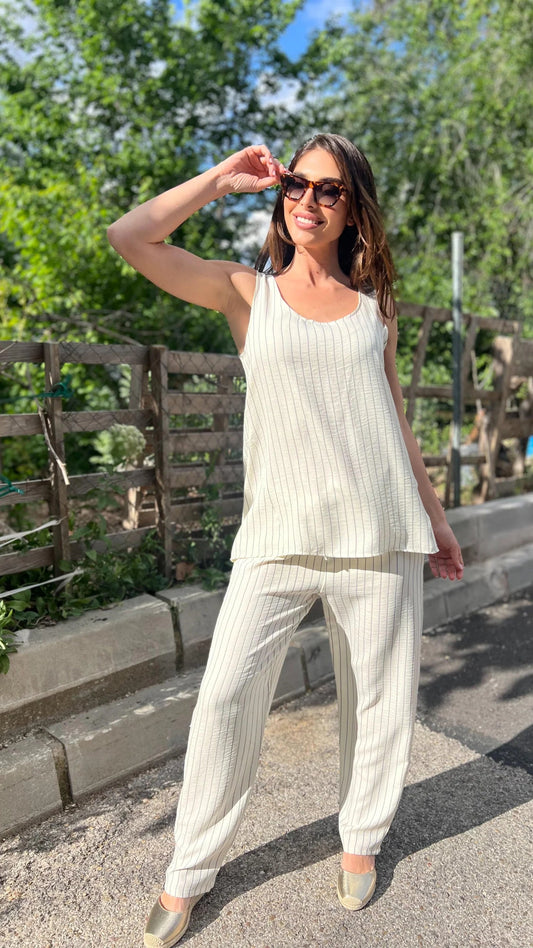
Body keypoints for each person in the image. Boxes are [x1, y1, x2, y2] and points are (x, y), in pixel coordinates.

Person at [107, 133, 464, 947]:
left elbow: (393, 418)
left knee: (378, 700)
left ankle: (360, 838)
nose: (308, 200)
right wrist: (220, 179)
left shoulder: (375, 310)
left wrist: (436, 520)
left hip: (379, 529)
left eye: (329, 190)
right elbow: (130, 238)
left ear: (353, 209)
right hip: (277, 535)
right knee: (226, 698)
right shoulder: (245, 292)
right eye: (297, 184)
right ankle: (189, 869)